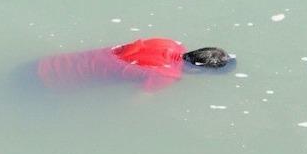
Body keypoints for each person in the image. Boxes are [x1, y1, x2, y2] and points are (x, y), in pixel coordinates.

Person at [36, 37, 233, 91]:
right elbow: (138, 101)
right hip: (53, 82)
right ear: (201, 72)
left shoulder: (169, 42)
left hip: (52, 63)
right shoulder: (166, 76)